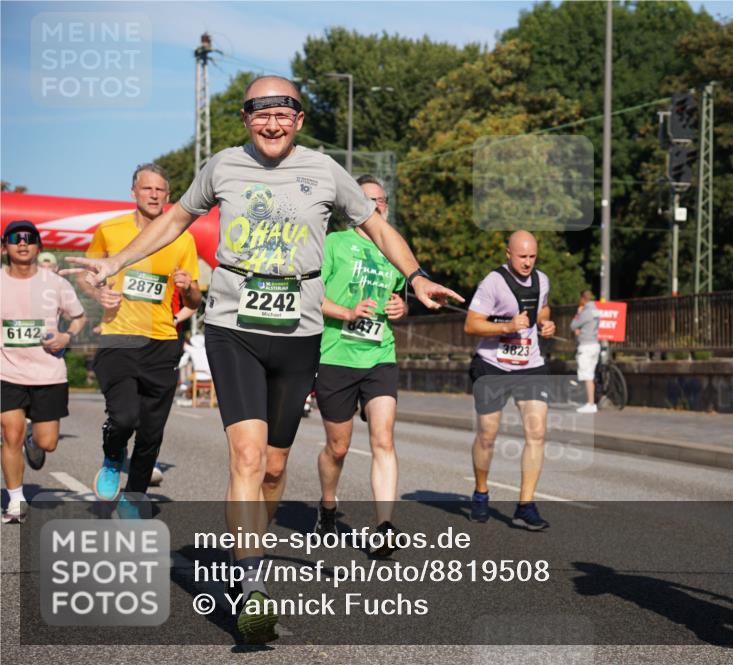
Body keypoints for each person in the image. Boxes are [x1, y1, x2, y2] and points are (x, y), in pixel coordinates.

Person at [65, 75, 461, 644]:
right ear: (246, 118)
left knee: (275, 467)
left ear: (299, 119)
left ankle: (245, 549)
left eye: (283, 114)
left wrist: (417, 275)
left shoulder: (326, 171)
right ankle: (251, 584)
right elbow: (175, 220)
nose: (272, 124)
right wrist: (115, 263)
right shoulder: (222, 166)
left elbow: (376, 226)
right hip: (234, 327)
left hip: (299, 331)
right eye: (260, 114)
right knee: (247, 457)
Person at [74, 164, 201, 512]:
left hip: (162, 341)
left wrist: (189, 288)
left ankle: (135, 495)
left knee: (151, 432)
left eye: (161, 190)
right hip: (119, 338)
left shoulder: (183, 238)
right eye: (148, 189)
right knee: (125, 417)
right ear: (134, 192)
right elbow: (88, 276)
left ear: (169, 196)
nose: (155, 195)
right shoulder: (109, 231)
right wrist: (98, 295)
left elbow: (195, 301)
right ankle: (113, 456)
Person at [314, 175, 407, 556]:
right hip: (335, 354)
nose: (376, 206)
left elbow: (399, 297)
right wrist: (347, 312)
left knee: (383, 439)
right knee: (338, 448)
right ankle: (328, 504)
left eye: (381, 200)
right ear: (353, 206)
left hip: (379, 354)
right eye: (368, 199)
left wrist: (402, 307)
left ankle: (384, 526)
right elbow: (311, 298)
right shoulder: (334, 244)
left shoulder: (394, 251)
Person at [464, 230, 556, 530]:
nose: (528, 263)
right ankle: (480, 492)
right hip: (492, 364)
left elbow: (542, 307)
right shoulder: (493, 282)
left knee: (537, 432)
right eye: (522, 256)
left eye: (532, 257)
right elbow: (471, 324)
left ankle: (525, 506)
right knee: (488, 435)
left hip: (530, 363)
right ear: (508, 253)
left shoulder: (542, 280)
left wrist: (544, 322)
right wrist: (506, 324)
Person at [1, 220, 87, 523]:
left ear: (38, 246)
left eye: (29, 239)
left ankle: (33, 442)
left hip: (48, 374)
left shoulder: (55, 284)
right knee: (10, 432)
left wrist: (67, 336)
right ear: (5, 247)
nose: (22, 243)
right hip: (6, 373)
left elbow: (78, 317)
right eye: (15, 238)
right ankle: (15, 501)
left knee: (48, 441)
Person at [570, 289, 601, 413]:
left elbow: (573, 325)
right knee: (591, 374)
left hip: (586, 346)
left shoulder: (586, 311)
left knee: (587, 375)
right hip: (595, 344)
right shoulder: (596, 310)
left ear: (583, 299)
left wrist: (578, 313)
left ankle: (590, 403)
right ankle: (590, 401)